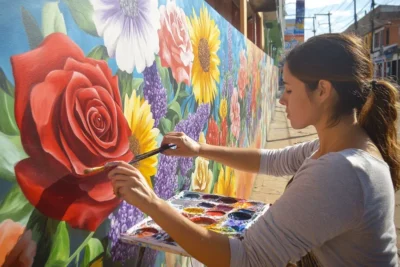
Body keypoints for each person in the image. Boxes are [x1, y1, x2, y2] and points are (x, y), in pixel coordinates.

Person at [108, 33, 399, 266]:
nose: (282, 99)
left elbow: (245, 259)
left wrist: (150, 203)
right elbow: (271, 161)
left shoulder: (342, 171)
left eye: (288, 89)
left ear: (322, 90)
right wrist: (198, 149)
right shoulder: (340, 144)